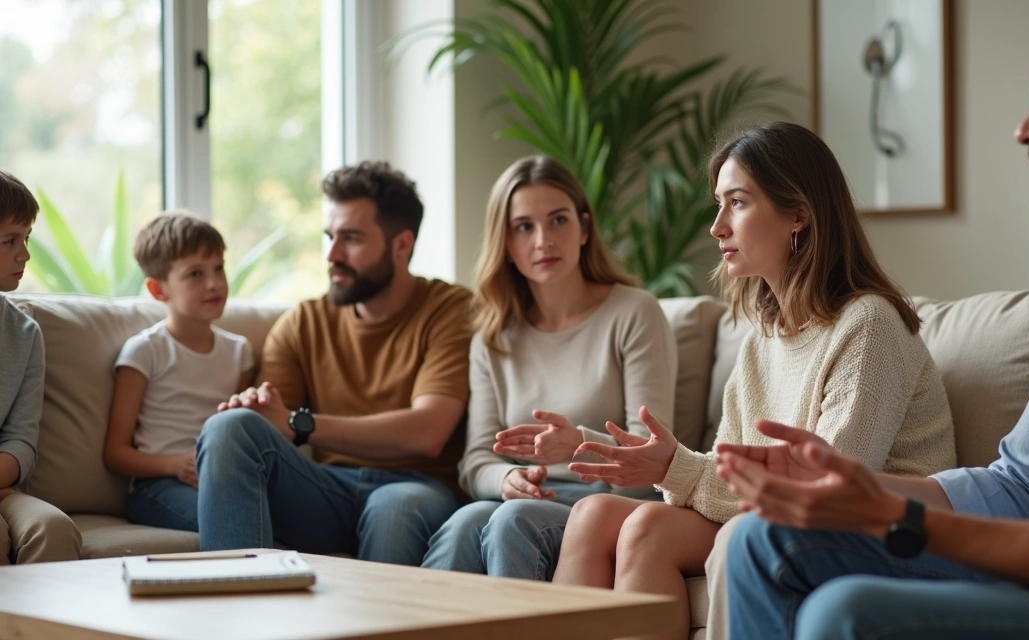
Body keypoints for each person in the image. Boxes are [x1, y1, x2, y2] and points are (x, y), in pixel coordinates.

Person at [718, 2, 1029, 639]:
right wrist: (862, 489)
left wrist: (897, 518)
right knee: (761, 539)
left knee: (841, 615)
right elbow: (1023, 483)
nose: (1025, 129)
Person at [551, 122, 957, 639]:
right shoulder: (762, 339)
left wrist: (682, 472)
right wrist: (673, 467)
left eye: (737, 203)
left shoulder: (868, 324)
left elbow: (832, 487)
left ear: (798, 215)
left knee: (649, 530)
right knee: (592, 516)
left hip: (872, 532)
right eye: (718, 204)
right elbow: (731, 469)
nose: (717, 226)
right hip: (776, 515)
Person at [196, 161, 472, 566]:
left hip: (417, 487)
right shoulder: (303, 322)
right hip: (326, 490)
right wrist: (259, 412)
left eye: (352, 239)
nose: (332, 254)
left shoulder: (450, 310)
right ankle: (237, 613)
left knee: (396, 507)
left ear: (402, 245)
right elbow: (270, 423)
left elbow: (427, 432)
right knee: (229, 427)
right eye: (329, 236)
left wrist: (299, 423)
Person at [420, 155, 677, 579]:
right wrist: (506, 479)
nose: (543, 240)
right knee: (463, 523)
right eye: (524, 227)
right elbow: (476, 461)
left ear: (584, 228)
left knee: (511, 520)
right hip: (524, 498)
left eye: (558, 221)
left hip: (606, 504)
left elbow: (650, 462)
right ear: (505, 244)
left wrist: (579, 442)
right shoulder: (493, 337)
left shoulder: (634, 313)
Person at [103, 212, 253, 532]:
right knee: (232, 519)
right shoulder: (145, 350)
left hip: (220, 478)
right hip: (157, 486)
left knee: (259, 511)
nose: (214, 283)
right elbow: (115, 453)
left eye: (219, 268)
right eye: (195, 274)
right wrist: (174, 465)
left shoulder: (239, 351)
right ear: (158, 290)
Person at [0, 167, 82, 563]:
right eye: (10, 240)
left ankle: (40, 630)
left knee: (52, 527)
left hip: (2, 486)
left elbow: (22, 439)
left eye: (27, 238)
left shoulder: (25, 333)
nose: (26, 254)